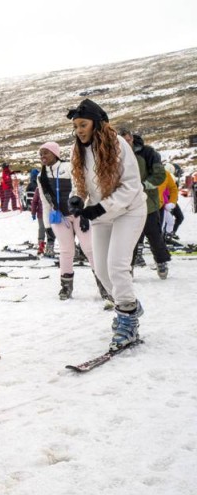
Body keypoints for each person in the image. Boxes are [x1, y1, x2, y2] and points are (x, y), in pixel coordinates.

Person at [66, 99, 146, 351]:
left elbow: (131, 186)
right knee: (100, 270)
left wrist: (99, 207)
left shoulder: (118, 145)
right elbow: (77, 178)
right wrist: (77, 197)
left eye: (83, 124)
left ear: (97, 123)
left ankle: (127, 318)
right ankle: (129, 303)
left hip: (130, 211)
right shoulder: (77, 148)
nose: (79, 130)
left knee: (117, 266)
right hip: (102, 215)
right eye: (76, 126)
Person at [37, 141, 110, 305]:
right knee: (66, 251)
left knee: (90, 249)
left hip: (77, 213)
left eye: (45, 153)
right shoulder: (40, 175)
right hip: (59, 217)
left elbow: (83, 189)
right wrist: (47, 226)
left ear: (55, 153)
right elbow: (45, 201)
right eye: (41, 154)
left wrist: (84, 213)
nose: (43, 157)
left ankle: (105, 285)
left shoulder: (69, 167)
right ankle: (66, 287)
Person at [118, 128, 170, 278]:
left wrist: (144, 185)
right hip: (126, 204)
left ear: (131, 139)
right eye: (122, 142)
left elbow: (160, 175)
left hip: (148, 203)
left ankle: (161, 262)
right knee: (129, 238)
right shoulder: (115, 155)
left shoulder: (148, 153)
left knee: (154, 235)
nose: (125, 144)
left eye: (127, 140)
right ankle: (128, 267)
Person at [159, 164, 184, 240]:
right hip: (165, 203)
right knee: (163, 222)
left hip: (169, 202)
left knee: (171, 220)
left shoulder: (170, 177)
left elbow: (173, 190)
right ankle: (162, 238)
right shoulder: (166, 176)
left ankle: (168, 236)